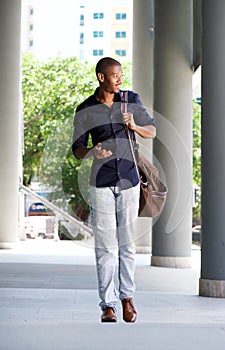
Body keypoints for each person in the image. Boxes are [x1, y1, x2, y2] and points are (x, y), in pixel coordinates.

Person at [72, 57, 156, 323]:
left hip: (129, 180)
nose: (120, 79)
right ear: (101, 77)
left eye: (121, 74)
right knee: (105, 248)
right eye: (115, 75)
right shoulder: (85, 109)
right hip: (101, 183)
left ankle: (127, 299)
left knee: (127, 245)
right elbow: (77, 149)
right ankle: (108, 305)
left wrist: (134, 126)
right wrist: (92, 151)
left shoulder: (131, 99)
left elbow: (152, 131)